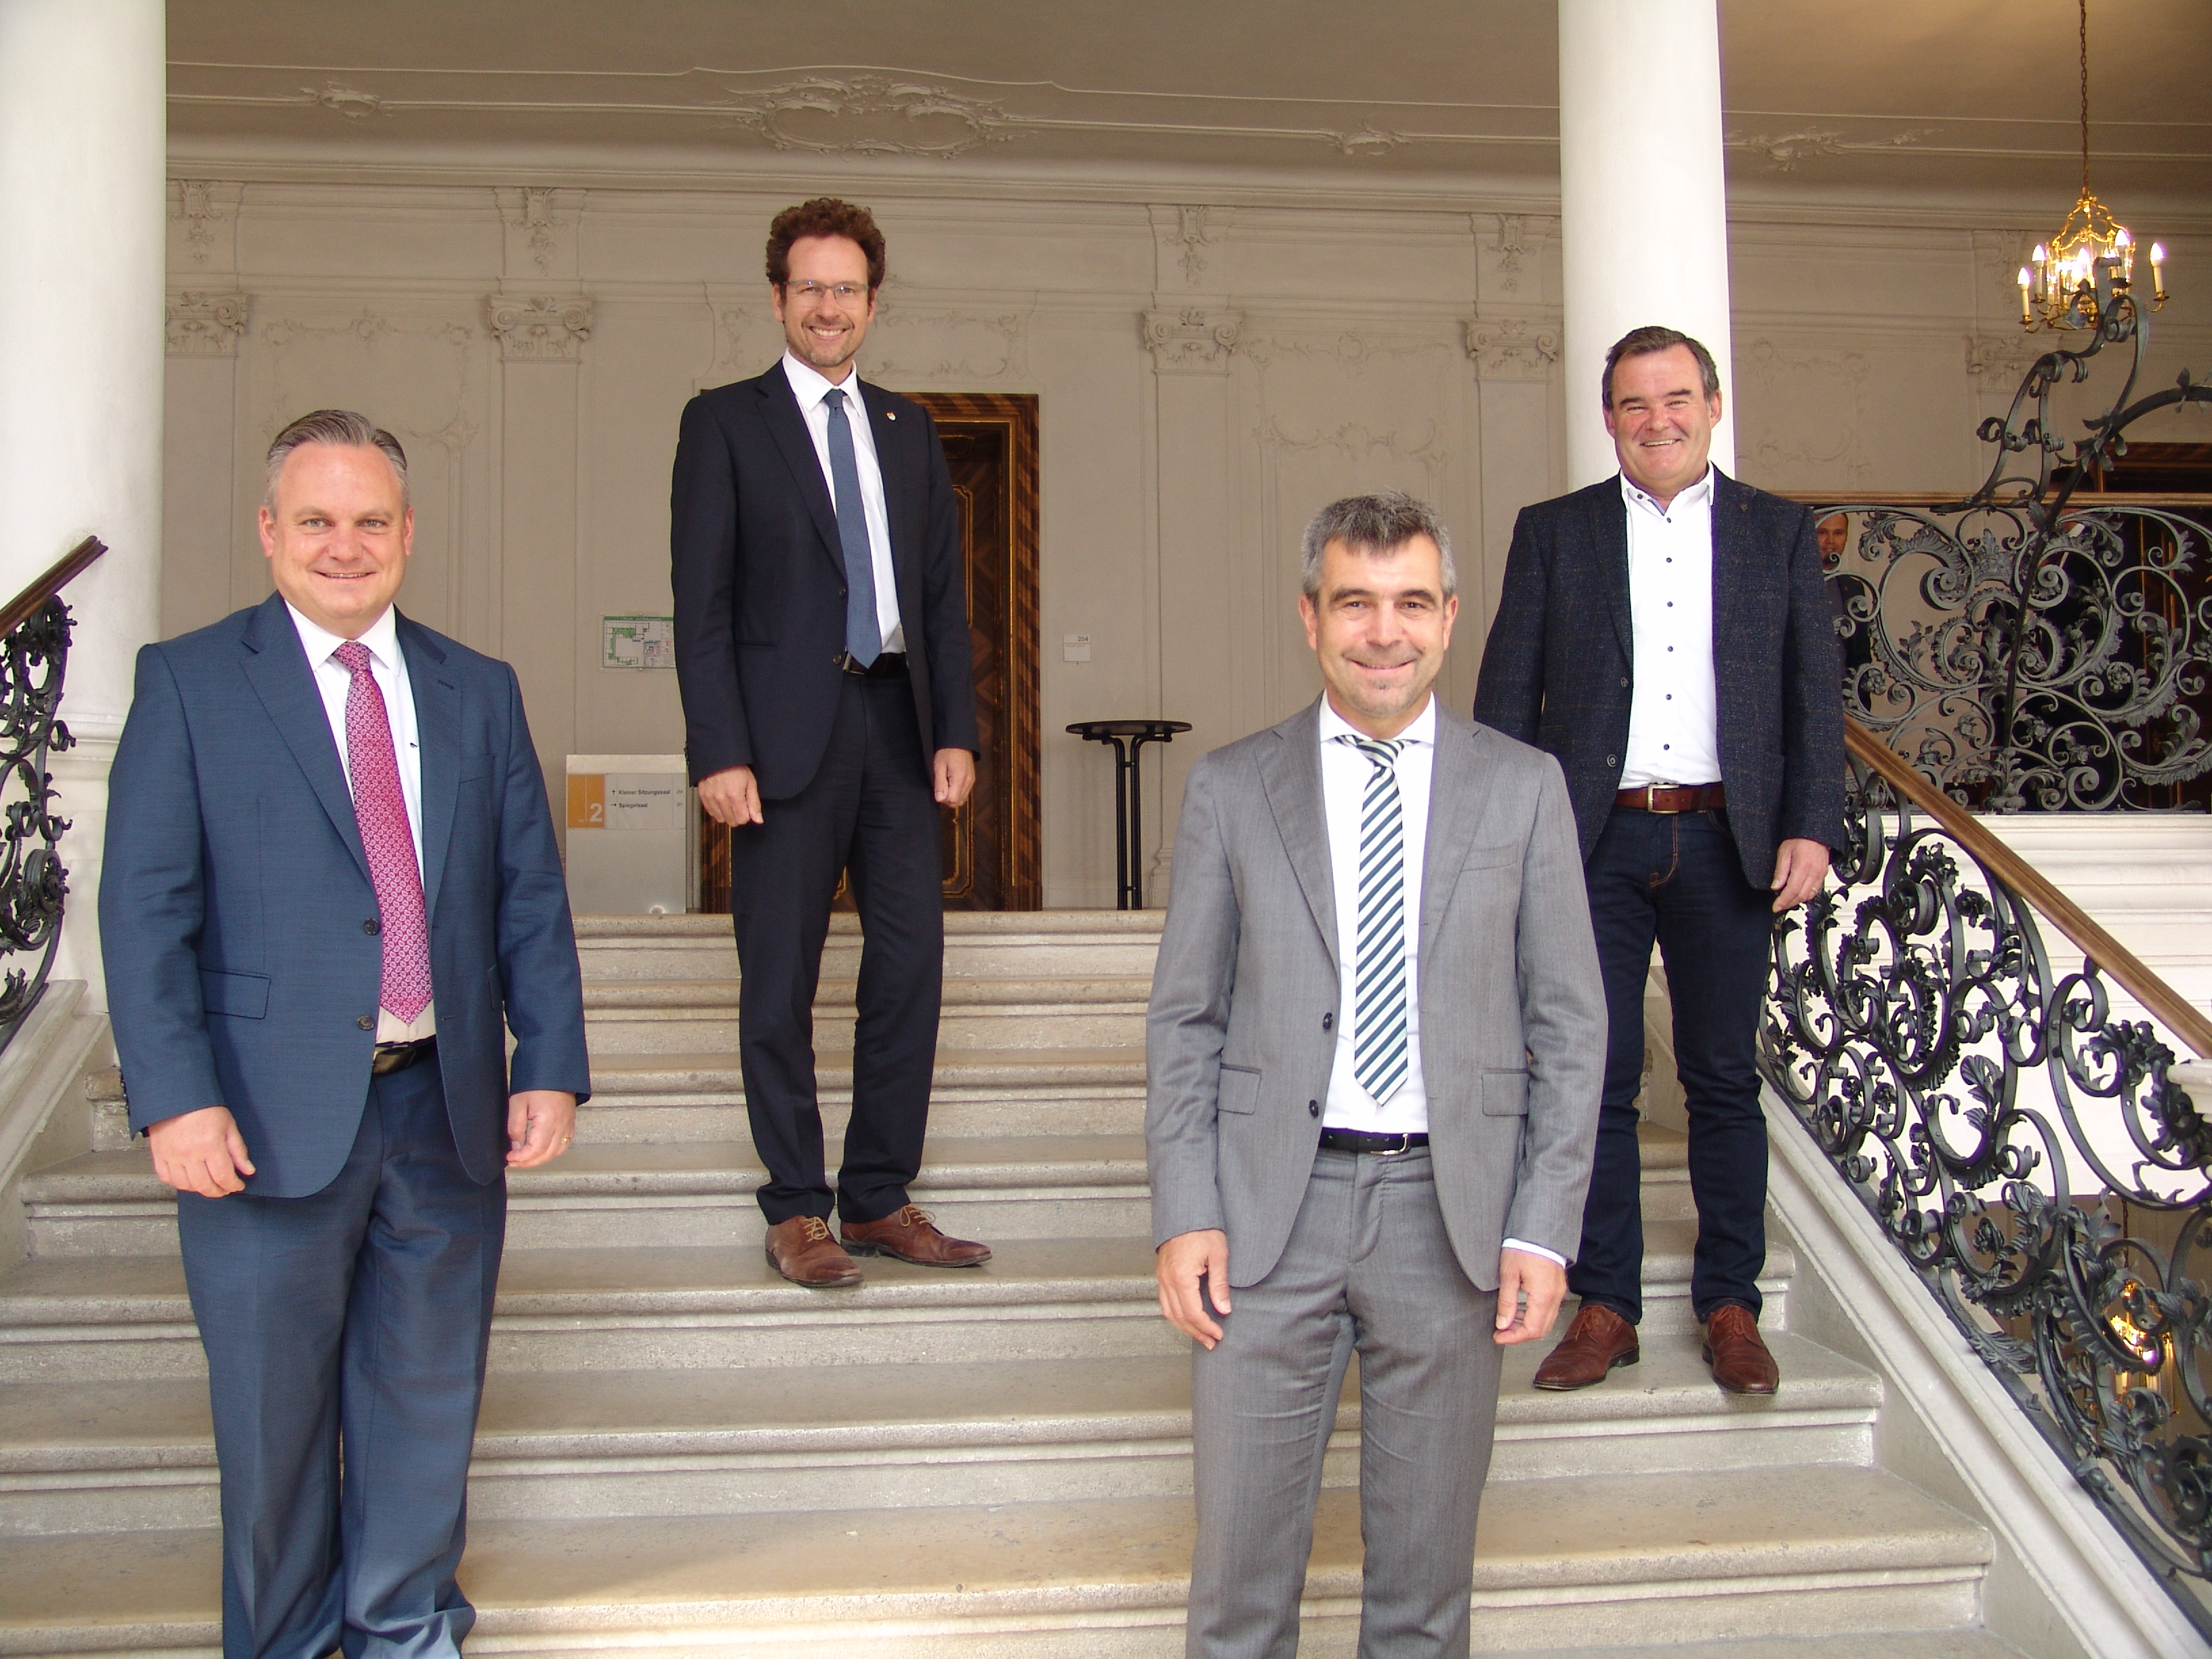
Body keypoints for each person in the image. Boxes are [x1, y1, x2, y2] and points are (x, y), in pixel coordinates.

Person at [101, 409, 590, 1658]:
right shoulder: (192, 681)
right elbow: (143, 908)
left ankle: (406, 1626)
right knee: (271, 1418)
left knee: (426, 1399)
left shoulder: (480, 691)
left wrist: (553, 1065)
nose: (344, 545)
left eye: (371, 520)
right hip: (260, 1116)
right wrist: (172, 1097)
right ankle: (283, 1644)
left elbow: (528, 892)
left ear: (408, 534)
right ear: (270, 533)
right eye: (316, 520)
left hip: (445, 1104)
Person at [1149, 493, 1605, 1656]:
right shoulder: (1232, 787)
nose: (1384, 633)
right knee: (1239, 1594)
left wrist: (1545, 1230)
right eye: (1356, 603)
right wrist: (1187, 1212)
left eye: (1411, 604)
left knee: (1422, 1600)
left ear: (1451, 619)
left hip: (1448, 1223)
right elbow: (1187, 1019)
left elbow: (1571, 1025)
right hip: (1267, 1218)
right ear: (1311, 619)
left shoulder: (1524, 786)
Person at [1473, 325, 1845, 1397]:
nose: (1658, 420)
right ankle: (1606, 1305)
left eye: (1677, 398)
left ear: (1715, 405)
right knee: (1593, 1081)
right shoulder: (1556, 532)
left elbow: (1816, 696)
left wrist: (1812, 824)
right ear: (1609, 419)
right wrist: (1506, 842)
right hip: (1592, 842)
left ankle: (1732, 1303)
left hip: (1732, 838)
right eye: (1635, 404)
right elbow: (1507, 700)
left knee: (1724, 1078)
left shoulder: (1778, 533)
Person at [670, 197, 985, 1288]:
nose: (828, 307)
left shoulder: (908, 429)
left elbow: (943, 596)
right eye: (809, 288)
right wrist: (717, 749)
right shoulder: (724, 423)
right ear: (777, 299)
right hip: (781, 740)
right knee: (779, 979)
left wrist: (959, 731)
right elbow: (700, 602)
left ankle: (880, 1196)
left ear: (871, 303)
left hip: (899, 724)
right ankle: (797, 1206)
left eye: (846, 289)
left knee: (910, 968)